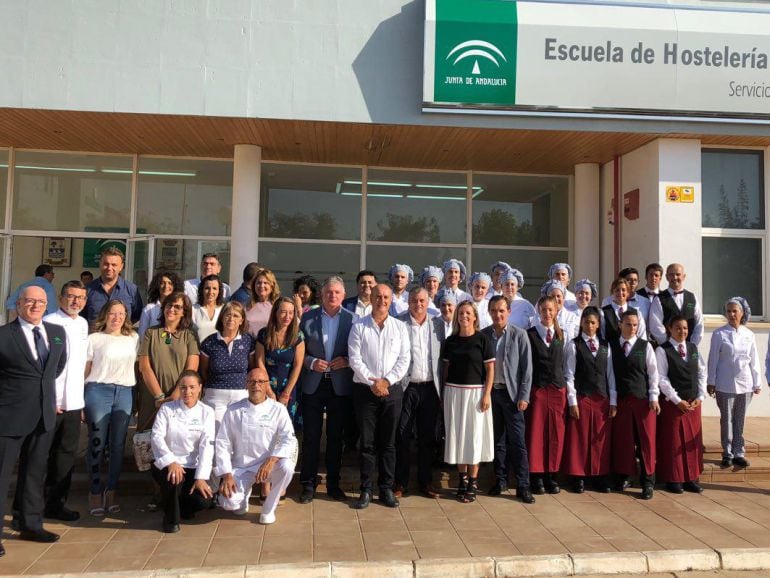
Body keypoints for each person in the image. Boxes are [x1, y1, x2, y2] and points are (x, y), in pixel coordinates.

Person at [0, 286, 67, 556]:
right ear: (18, 304)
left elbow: (57, 366)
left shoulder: (56, 333)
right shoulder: (4, 335)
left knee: (34, 473)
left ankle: (30, 523)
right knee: (2, 476)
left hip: (43, 415)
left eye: (41, 301)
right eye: (30, 301)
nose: (35, 305)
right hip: (9, 416)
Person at [348, 284, 410, 509]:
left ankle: (386, 489)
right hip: (365, 391)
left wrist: (387, 381)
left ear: (391, 300)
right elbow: (354, 359)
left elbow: (404, 359)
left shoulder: (400, 327)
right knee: (367, 443)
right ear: (371, 298)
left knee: (389, 443)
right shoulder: (358, 326)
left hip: (392, 391)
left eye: (386, 297)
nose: (382, 300)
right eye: (378, 297)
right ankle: (365, 489)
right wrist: (373, 382)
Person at [215, 368, 297, 525]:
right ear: (246, 385)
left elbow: (289, 439)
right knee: (228, 503)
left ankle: (269, 508)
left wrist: (272, 459)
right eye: (251, 382)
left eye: (260, 382)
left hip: (268, 465)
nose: (256, 385)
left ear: (267, 385)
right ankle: (243, 495)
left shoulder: (278, 409)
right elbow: (222, 443)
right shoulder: (233, 410)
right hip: (242, 466)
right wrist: (226, 474)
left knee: (286, 467)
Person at [298, 276, 354, 503]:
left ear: (343, 295)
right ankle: (308, 485)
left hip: (339, 385)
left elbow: (361, 351)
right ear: (321, 294)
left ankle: (333, 484)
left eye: (337, 292)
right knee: (311, 436)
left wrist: (348, 360)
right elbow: (297, 350)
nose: (332, 296)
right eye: (329, 292)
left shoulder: (353, 320)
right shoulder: (307, 317)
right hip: (314, 383)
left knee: (335, 437)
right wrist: (311, 362)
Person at [83, 300, 139, 516]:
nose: (117, 318)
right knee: (96, 443)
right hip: (98, 391)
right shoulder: (94, 339)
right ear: (105, 315)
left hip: (124, 392)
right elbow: (86, 370)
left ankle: (111, 490)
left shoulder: (133, 338)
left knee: (117, 445)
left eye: (122, 313)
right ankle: (95, 491)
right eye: (113, 313)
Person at [40, 281, 89, 521]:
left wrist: (78, 404)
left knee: (66, 456)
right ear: (60, 299)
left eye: (80, 297)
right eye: (71, 296)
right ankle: (28, 506)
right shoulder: (48, 322)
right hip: (51, 403)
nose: (75, 301)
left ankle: (56, 504)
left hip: (73, 404)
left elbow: (78, 367)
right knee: (41, 455)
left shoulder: (83, 324)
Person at [482, 296, 534, 504]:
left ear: (509, 312)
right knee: (498, 441)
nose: (498, 314)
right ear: (489, 312)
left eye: (501, 310)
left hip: (512, 396)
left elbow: (526, 369)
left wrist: (524, 396)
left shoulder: (519, 335)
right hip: (492, 394)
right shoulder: (484, 335)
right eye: (494, 310)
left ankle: (523, 485)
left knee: (518, 442)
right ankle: (500, 480)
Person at [394, 288, 445, 499]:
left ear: (428, 301)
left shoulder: (437, 323)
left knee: (427, 437)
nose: (418, 304)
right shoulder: (398, 322)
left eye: (422, 300)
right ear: (409, 302)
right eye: (414, 300)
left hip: (430, 387)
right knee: (402, 435)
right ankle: (400, 483)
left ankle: (426, 482)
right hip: (406, 387)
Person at [442, 300, 495, 503]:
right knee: (457, 438)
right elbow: (446, 370)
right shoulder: (450, 341)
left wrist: (487, 394)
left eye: (468, 313)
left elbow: (490, 369)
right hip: (454, 393)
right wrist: (444, 394)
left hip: (476, 394)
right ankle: (462, 480)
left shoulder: (483, 340)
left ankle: (473, 483)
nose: (464, 316)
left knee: (473, 438)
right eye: (461, 313)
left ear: (474, 317)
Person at [150, 371, 215, 533]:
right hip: (167, 463)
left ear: (200, 388)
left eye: (192, 387)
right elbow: (157, 437)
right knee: (174, 480)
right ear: (179, 389)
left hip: (192, 466)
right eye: (184, 388)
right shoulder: (167, 409)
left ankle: (183, 510)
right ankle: (171, 520)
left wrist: (201, 478)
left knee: (204, 500)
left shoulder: (207, 412)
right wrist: (171, 462)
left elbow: (207, 445)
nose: (188, 392)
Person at [562, 306, 616, 494]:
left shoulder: (605, 346)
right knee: (580, 438)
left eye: (593, 322)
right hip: (582, 397)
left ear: (598, 324)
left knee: (599, 439)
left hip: (601, 398)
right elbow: (569, 375)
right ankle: (578, 477)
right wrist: (572, 401)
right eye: (586, 322)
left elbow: (610, 374)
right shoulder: (573, 345)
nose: (590, 326)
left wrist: (613, 400)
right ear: (581, 323)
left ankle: (599, 476)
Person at [611, 310, 660, 500]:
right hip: (623, 400)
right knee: (624, 441)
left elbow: (653, 372)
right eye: (628, 324)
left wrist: (653, 396)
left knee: (645, 442)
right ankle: (624, 476)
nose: (632, 328)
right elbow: (611, 376)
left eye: (635, 325)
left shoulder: (644, 346)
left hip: (642, 400)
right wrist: (614, 401)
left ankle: (648, 481)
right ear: (620, 325)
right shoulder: (613, 346)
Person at [656, 315, 706, 494]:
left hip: (693, 403)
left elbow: (701, 373)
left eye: (685, 328)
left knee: (692, 441)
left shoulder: (693, 348)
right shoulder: (663, 350)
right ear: (669, 329)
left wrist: (701, 395)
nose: (682, 331)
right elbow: (661, 378)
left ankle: (691, 478)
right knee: (673, 441)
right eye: (678, 328)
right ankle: (673, 478)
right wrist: (677, 400)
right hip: (673, 404)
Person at [709, 297, 761, 469]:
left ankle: (739, 452)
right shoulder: (719, 334)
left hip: (745, 384)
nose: (731, 314)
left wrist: (757, 382)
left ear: (742, 313)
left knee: (739, 419)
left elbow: (754, 360)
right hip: (724, 383)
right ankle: (727, 452)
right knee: (727, 419)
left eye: (735, 311)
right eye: (728, 311)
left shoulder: (749, 334)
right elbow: (713, 359)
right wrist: (711, 381)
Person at [137, 292, 200, 433]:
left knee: (179, 435)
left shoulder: (189, 335)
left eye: (177, 307)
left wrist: (175, 395)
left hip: (182, 394)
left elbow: (192, 367)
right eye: (169, 305)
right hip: (152, 395)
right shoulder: (151, 333)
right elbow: (144, 366)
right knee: (148, 439)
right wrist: (159, 397)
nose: (171, 309)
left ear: (184, 312)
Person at [526, 296, 567, 495]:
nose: (547, 313)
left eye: (550, 310)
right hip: (539, 390)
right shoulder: (530, 335)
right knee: (537, 433)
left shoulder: (562, 335)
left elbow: (567, 365)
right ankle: (537, 476)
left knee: (556, 434)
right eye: (543, 310)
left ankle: (552, 475)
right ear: (539, 311)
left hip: (558, 390)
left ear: (556, 311)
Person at [199, 301, 256, 428]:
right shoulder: (209, 342)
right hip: (215, 396)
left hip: (241, 395)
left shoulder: (248, 341)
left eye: (236, 316)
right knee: (216, 434)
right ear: (222, 318)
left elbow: (252, 368)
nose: (231, 318)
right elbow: (203, 371)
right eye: (227, 315)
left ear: (242, 320)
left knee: (239, 436)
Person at [256, 296, 305, 426]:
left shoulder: (298, 335)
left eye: (291, 313)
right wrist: (269, 391)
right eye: (283, 312)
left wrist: (286, 393)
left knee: (287, 428)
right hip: (266, 386)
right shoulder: (264, 334)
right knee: (265, 426)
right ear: (275, 313)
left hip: (289, 387)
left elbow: (298, 365)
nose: (287, 316)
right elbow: (260, 362)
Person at [82, 247, 144, 326]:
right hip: (95, 337)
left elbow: (136, 316)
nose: (109, 268)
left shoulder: (131, 290)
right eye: (106, 264)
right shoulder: (88, 290)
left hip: (121, 337)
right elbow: (82, 317)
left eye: (114, 265)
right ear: (100, 264)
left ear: (121, 267)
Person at [649, 263, 703, 346]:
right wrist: (670, 345)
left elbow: (699, 324)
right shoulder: (659, 299)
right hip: (668, 349)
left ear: (684, 276)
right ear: (667, 277)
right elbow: (655, 326)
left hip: (689, 348)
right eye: (671, 275)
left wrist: (692, 345)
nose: (675, 277)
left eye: (678, 274)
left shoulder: (692, 297)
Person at [139, 271, 184, 340]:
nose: (166, 286)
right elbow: (142, 335)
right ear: (157, 286)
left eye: (170, 283)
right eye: (162, 283)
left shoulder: (180, 308)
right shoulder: (149, 309)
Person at [601, 278, 646, 343]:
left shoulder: (637, 313)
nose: (620, 293)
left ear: (628, 293)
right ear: (612, 292)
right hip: (611, 351)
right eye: (617, 290)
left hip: (632, 351)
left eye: (623, 290)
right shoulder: (603, 313)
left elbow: (642, 336)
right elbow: (602, 336)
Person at [246, 268, 280, 337]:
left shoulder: (278, 306)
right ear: (254, 285)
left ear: (272, 286)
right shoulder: (246, 306)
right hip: (249, 346)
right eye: (259, 283)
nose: (262, 286)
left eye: (265, 283)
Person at [192, 274, 224, 343]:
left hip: (218, 352)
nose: (211, 292)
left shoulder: (224, 310)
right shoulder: (193, 309)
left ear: (219, 291)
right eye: (207, 288)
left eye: (214, 288)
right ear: (202, 290)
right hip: (198, 352)